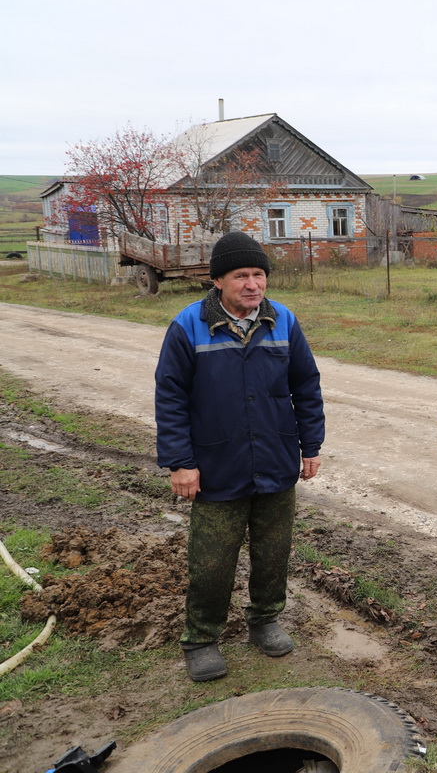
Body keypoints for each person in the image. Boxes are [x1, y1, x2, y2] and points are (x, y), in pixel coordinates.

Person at [155, 231, 325, 682]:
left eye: (259, 275)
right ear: (217, 281)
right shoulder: (188, 326)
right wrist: (180, 462)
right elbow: (170, 398)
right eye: (241, 275)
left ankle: (264, 620)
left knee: (274, 552)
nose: (253, 284)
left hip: (275, 459)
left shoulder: (282, 320)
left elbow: (306, 386)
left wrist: (312, 446)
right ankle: (201, 638)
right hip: (215, 467)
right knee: (211, 560)